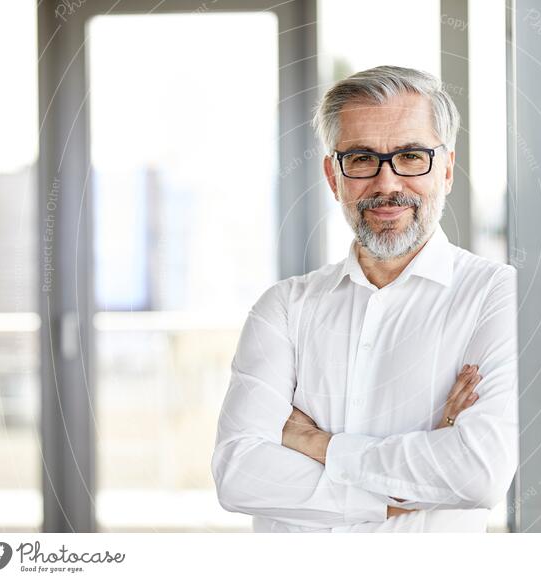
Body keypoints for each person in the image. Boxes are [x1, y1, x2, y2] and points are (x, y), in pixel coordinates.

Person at [211, 65, 518, 532]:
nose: (387, 184)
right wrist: (403, 489)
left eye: (412, 156)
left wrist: (317, 443)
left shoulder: (497, 296)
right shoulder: (283, 308)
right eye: (360, 158)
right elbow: (239, 476)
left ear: (447, 170)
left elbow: (478, 474)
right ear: (334, 177)